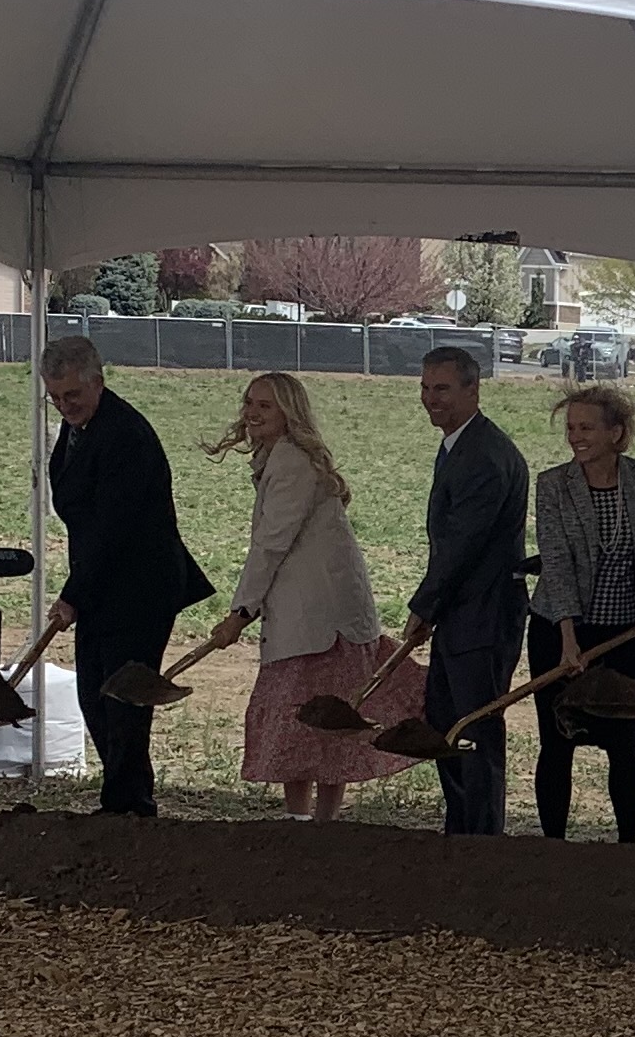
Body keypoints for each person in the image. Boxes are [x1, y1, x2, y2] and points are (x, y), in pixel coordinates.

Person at [175, 371, 397, 822]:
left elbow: (271, 545)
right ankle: (310, 822)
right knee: (315, 720)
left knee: (317, 719)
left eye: (265, 406)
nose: (252, 413)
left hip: (321, 621)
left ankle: (312, 822)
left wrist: (240, 612)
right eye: (250, 403)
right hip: (315, 612)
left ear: (289, 413)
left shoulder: (292, 463)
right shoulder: (277, 458)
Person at [37, 335, 208, 817]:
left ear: (98, 382)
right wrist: (81, 591)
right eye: (55, 397)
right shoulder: (79, 428)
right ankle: (122, 800)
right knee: (93, 694)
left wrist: (72, 596)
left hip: (139, 588)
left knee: (124, 700)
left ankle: (129, 806)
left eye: (72, 394)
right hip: (100, 585)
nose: (64, 405)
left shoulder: (124, 436)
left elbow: (113, 527)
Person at [526, 382, 635, 844]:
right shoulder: (553, 485)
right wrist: (568, 641)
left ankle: (627, 845)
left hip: (623, 632)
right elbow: (555, 562)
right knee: (558, 740)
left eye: (586, 428)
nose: (576, 437)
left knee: (623, 742)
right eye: (571, 428)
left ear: (616, 433)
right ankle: (554, 845)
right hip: (560, 629)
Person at [401, 344, 532, 837]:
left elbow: (462, 543)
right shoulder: (462, 445)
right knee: (445, 721)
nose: (430, 399)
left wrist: (423, 607)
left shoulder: (483, 456)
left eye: (442, 389)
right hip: (462, 613)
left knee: (473, 729)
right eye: (425, 388)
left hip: (484, 615)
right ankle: (461, 831)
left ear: (473, 389)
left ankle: (480, 840)